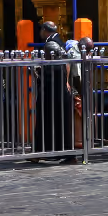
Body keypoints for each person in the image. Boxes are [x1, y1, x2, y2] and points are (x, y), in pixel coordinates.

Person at [32, 21, 76, 163]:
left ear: (45, 30)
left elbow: (63, 61)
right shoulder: (58, 41)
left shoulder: (51, 43)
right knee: (58, 120)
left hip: (52, 87)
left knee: (49, 119)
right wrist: (67, 80)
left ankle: (41, 152)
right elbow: (66, 62)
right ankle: (51, 152)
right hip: (57, 86)